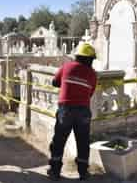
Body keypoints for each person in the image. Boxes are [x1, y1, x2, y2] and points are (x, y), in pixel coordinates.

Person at [48, 43, 97, 181]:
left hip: (66, 109)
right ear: (90, 59)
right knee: (83, 142)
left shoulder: (67, 67)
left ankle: (54, 171)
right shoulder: (92, 74)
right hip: (83, 111)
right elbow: (90, 93)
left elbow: (54, 82)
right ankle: (83, 172)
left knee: (59, 141)